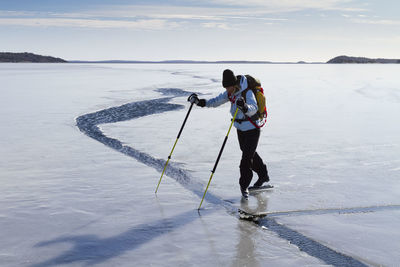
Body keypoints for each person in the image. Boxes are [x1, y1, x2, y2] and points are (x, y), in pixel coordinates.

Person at [188, 69, 270, 199]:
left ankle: (244, 187)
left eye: (228, 87)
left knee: (246, 159)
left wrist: (244, 107)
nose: (227, 90)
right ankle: (264, 175)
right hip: (240, 128)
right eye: (225, 87)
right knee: (249, 153)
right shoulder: (230, 93)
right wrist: (200, 102)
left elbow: (253, 107)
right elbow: (215, 101)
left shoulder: (247, 92)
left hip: (252, 129)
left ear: (234, 84)